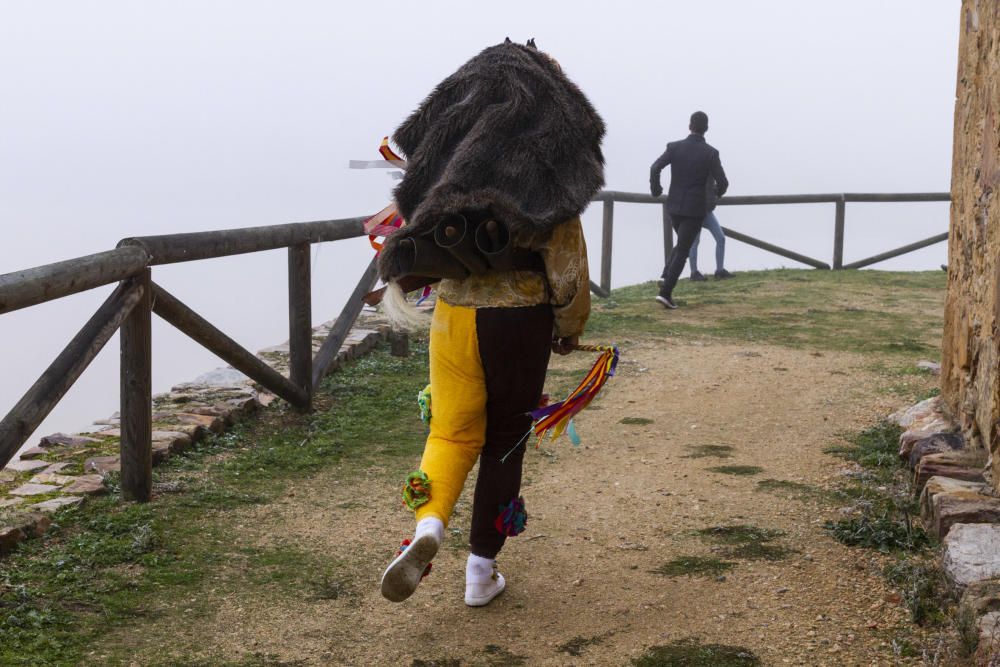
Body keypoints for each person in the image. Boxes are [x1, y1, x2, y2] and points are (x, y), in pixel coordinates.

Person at [376, 39, 604, 607]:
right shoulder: (552, 162)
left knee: (450, 431)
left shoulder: (454, 157)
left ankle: (428, 525)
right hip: (520, 319)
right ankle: (481, 572)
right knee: (505, 441)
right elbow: (567, 261)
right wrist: (570, 323)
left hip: (454, 315)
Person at [649, 111, 729, 308]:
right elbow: (724, 183)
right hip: (694, 209)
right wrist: (715, 194)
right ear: (706, 128)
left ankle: (665, 276)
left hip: (674, 207)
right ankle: (666, 293)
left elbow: (655, 167)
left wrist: (656, 189)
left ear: (689, 126)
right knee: (684, 248)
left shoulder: (675, 147)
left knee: (682, 242)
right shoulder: (711, 153)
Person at [686, 177, 733, 281]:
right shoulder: (698, 167)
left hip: (707, 212)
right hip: (695, 211)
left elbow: (716, 185)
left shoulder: (709, 168)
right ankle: (694, 273)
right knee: (695, 242)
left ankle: (719, 271)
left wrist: (714, 192)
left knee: (721, 238)